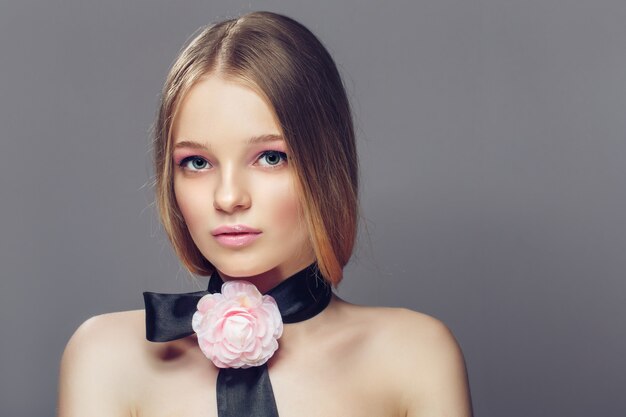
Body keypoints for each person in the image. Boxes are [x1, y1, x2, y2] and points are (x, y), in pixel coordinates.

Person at [57, 11, 472, 417]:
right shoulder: (105, 357)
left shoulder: (415, 356)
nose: (228, 196)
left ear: (325, 165)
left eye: (270, 157)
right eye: (197, 162)